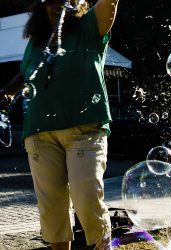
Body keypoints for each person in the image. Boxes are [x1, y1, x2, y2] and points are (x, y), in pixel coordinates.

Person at [0, 0, 119, 249]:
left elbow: (110, 2)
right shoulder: (37, 42)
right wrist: (8, 92)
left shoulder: (89, 28)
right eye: (50, 1)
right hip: (39, 133)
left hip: (84, 129)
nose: (57, 5)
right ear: (41, 8)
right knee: (52, 208)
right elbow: (26, 73)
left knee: (86, 198)